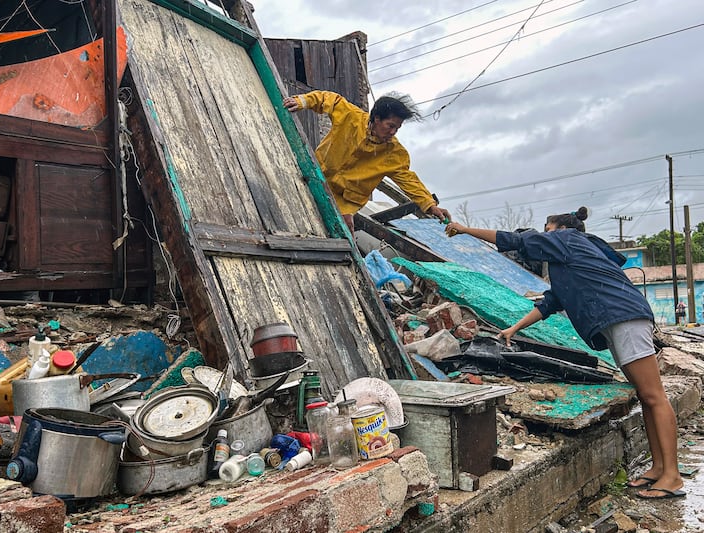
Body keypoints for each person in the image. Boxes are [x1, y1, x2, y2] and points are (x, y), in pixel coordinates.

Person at [445, 207, 685, 500]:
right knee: (647, 397)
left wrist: (465, 229)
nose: (542, 234)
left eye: (546, 228)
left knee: (654, 396)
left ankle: (672, 477)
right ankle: (659, 467)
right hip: (615, 320)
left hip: (623, 318)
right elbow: (549, 304)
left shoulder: (566, 239)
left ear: (557, 229)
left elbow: (515, 240)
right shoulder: (570, 261)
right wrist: (513, 329)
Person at [283, 91, 450, 234]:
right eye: (390, 125)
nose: (392, 132)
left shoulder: (394, 154)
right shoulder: (351, 117)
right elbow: (328, 98)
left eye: (397, 128)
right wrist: (302, 102)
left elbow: (409, 181)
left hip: (345, 200)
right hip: (317, 174)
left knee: (344, 231)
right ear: (376, 118)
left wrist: (430, 205)